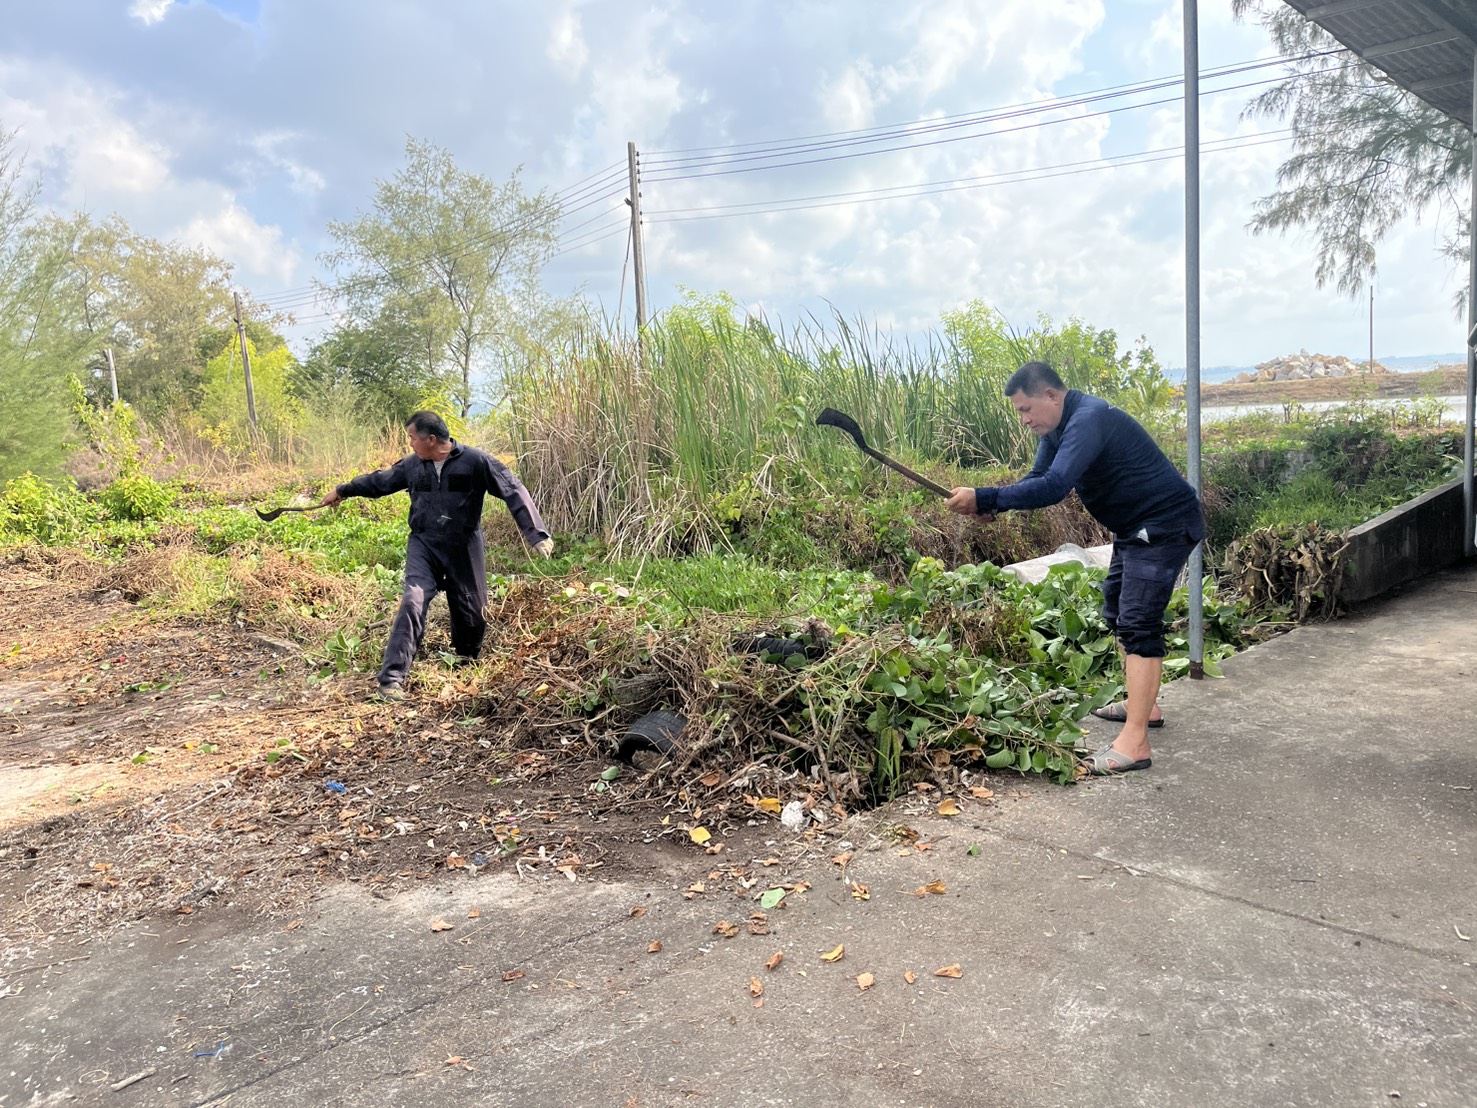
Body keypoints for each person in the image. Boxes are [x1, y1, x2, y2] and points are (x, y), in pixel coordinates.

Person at [945, 361, 1203, 775]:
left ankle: (1135, 742)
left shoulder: (1088, 418)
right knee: (1117, 611)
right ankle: (1145, 706)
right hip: (1133, 528)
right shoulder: (1057, 426)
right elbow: (1038, 477)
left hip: (1163, 525)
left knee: (1138, 623)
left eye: (1026, 409)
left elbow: (1055, 486)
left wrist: (987, 496)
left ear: (1051, 395)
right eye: (1019, 413)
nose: (1025, 420)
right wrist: (990, 505)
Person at [319, 410, 555, 700]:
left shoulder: (475, 462)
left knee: (472, 612)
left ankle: (466, 660)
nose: (410, 444)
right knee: (413, 600)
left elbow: (513, 489)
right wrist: (342, 490)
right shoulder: (412, 466)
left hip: (464, 546)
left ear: (431, 439)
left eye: (412, 438)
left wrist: (536, 534)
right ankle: (392, 678)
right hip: (424, 544)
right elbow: (379, 482)